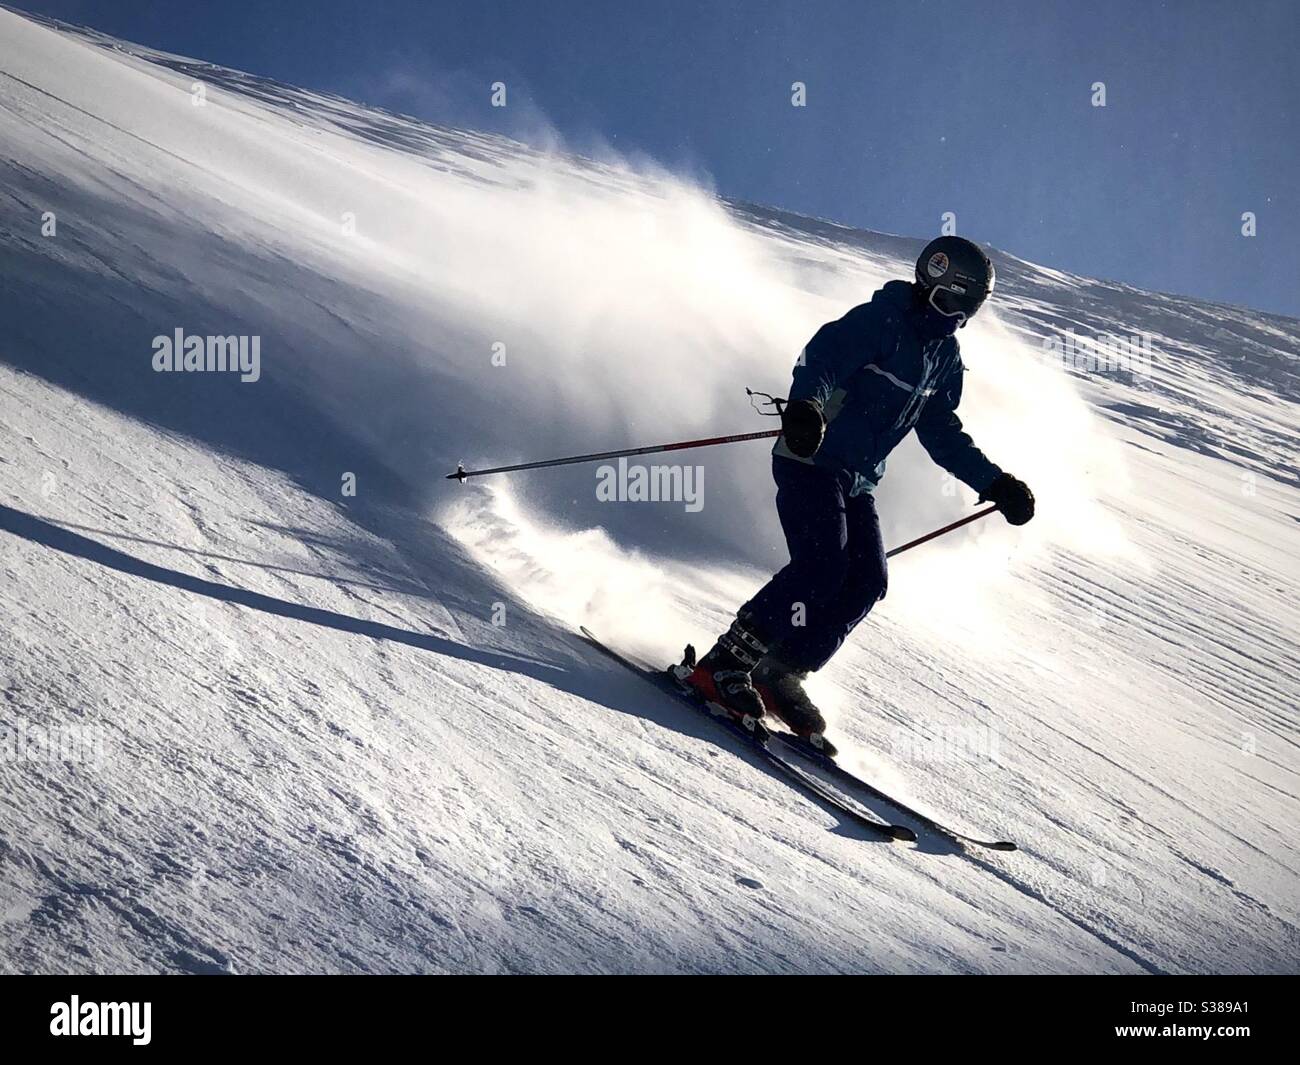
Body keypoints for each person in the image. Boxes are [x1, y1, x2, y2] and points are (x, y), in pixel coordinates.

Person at [685, 236, 1035, 754]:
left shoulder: (945, 357)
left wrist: (995, 483)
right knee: (821, 564)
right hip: (810, 458)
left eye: (971, 306)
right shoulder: (883, 320)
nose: (961, 313)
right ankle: (724, 665)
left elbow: (941, 433)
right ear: (934, 283)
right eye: (956, 298)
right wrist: (805, 408)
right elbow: (821, 358)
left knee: (867, 579)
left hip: (857, 479)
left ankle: (779, 671)